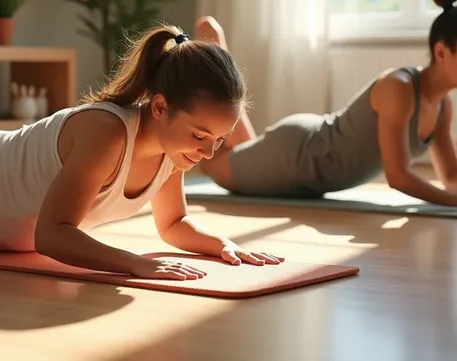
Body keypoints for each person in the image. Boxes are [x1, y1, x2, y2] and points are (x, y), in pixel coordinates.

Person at [0, 24, 283, 279]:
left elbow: (173, 223)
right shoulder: (106, 132)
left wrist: (222, 245)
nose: (208, 152)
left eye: (220, 140)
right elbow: (51, 234)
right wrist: (135, 263)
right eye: (200, 135)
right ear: (160, 107)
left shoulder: (174, 151)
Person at [199, 0, 457, 210]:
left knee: (240, 152)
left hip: (309, 164)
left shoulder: (442, 106)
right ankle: (216, 58)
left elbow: (452, 175)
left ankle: (221, 56)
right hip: (299, 158)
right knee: (214, 164)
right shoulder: (399, 86)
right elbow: (398, 176)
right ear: (441, 52)